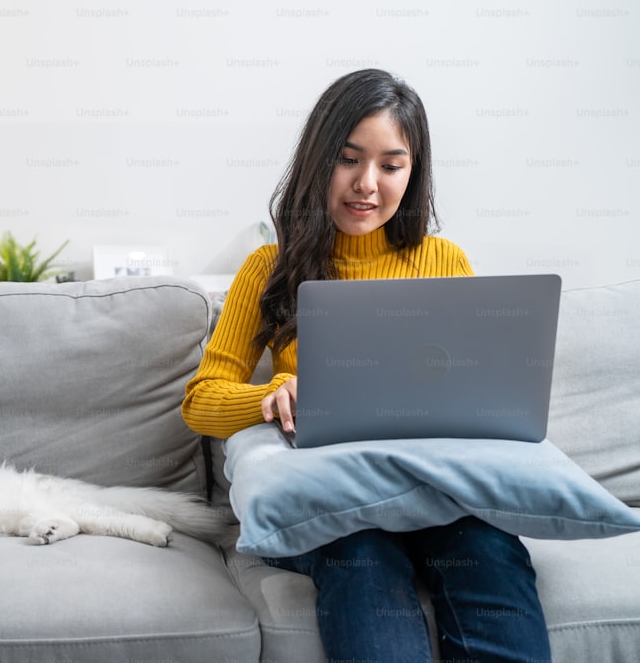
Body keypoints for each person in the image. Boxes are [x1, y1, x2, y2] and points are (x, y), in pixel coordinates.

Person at [181, 69, 551, 662]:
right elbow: (201, 402)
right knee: (364, 556)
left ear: (414, 171)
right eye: (349, 159)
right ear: (317, 160)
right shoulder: (269, 267)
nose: (367, 185)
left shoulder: (443, 261)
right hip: (333, 501)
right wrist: (273, 393)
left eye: (390, 165)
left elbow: (480, 390)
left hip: (431, 494)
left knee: (490, 552)